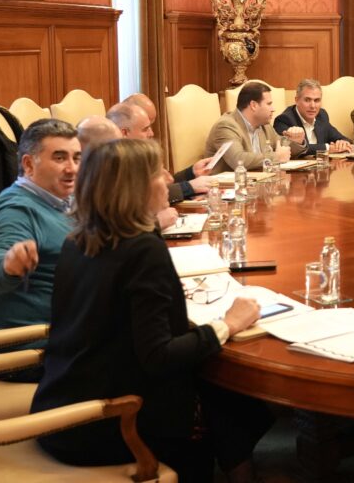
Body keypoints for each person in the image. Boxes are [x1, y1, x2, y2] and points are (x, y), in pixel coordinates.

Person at [30, 139, 273, 481]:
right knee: (229, 399)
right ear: (137, 187)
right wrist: (227, 325)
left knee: (224, 401)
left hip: (62, 405)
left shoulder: (79, 238)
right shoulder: (142, 249)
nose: (168, 179)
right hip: (110, 422)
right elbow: (159, 356)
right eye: (158, 173)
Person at [0, 119, 81, 364]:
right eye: (60, 158)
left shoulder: (62, 201)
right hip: (36, 352)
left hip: (68, 337)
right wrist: (9, 265)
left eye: (77, 158)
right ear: (29, 164)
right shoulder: (16, 210)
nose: (72, 168)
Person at [109, 101, 215, 200]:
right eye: (145, 129)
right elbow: (144, 197)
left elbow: (162, 184)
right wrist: (189, 187)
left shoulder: (134, 154)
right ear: (124, 133)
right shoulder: (114, 160)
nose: (151, 133)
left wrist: (191, 173)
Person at [204, 81, 290, 173]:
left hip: (259, 179)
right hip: (229, 181)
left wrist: (298, 140)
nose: (273, 109)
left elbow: (282, 145)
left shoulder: (264, 125)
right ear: (254, 105)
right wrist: (276, 157)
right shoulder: (226, 126)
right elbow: (238, 160)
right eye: (269, 104)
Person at [274, 78, 353, 155]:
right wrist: (327, 148)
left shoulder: (321, 115)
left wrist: (343, 142)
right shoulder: (284, 120)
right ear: (297, 100)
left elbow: (341, 137)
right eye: (307, 100)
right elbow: (294, 149)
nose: (313, 106)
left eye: (316, 100)